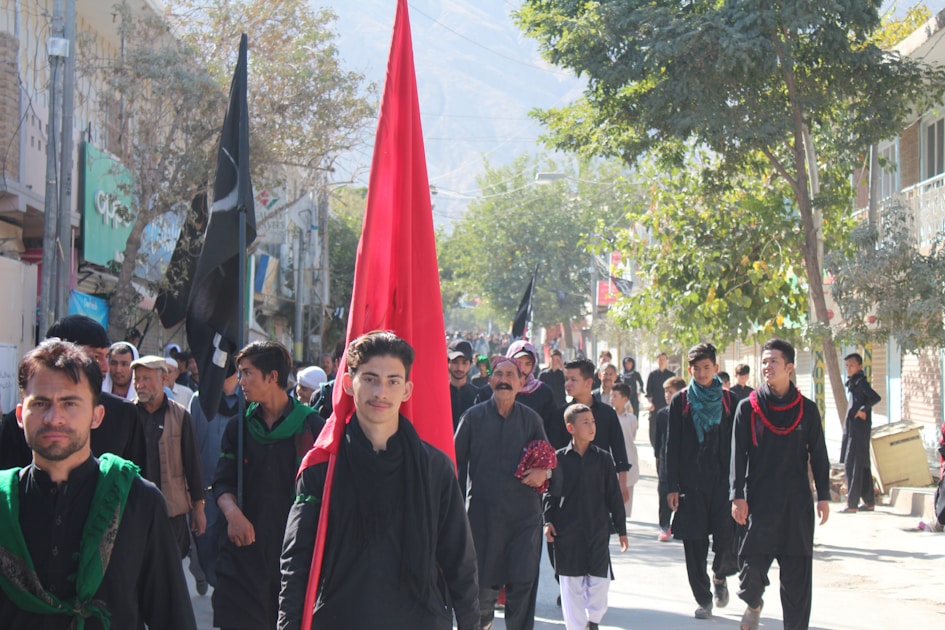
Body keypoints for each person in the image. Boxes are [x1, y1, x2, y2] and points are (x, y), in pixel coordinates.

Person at [279, 331, 479, 629]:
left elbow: (459, 560)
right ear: (349, 383)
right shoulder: (321, 469)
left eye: (392, 381)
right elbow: (297, 561)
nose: (380, 393)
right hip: (340, 618)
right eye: (370, 379)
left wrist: (470, 623)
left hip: (419, 619)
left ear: (407, 389)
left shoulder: (434, 469)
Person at [0, 339, 196, 628]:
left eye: (70, 403)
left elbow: (172, 618)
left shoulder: (137, 501)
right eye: (40, 403)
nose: (55, 418)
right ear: (20, 415)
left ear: (96, 415)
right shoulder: (4, 503)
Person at [212, 341, 325, 630]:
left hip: (295, 558)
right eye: (240, 374)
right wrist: (233, 515)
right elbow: (222, 482)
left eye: (247, 373)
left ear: (272, 377)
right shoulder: (239, 428)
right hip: (243, 555)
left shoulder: (312, 428)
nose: (241, 381)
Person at [730, 338, 830, 630]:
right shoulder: (747, 409)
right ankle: (754, 603)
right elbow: (737, 456)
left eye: (773, 361)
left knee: (797, 580)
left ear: (789, 367)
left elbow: (819, 455)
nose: (766, 367)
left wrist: (823, 495)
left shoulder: (807, 410)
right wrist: (737, 496)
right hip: (759, 503)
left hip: (797, 505)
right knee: (750, 575)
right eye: (763, 361)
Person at [455, 355, 551, 630]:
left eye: (511, 375)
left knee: (522, 586)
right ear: (490, 381)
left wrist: (544, 474)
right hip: (483, 520)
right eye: (499, 374)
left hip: (523, 521)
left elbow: (551, 463)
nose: (504, 380)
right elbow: (451, 464)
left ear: (521, 383)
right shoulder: (473, 418)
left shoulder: (531, 419)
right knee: (482, 591)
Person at [0, 315, 147, 470]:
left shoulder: (124, 414)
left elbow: (137, 479)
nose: (105, 367)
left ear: (97, 415)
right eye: (96, 357)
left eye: (106, 357)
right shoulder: (20, 423)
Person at [665, 343, 738, 620]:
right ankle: (703, 599)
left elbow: (737, 445)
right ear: (689, 370)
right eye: (696, 369)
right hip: (690, 484)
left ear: (716, 368)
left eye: (707, 368)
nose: (702, 373)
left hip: (722, 482)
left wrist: (739, 486)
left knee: (726, 537)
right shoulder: (680, 402)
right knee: (694, 544)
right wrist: (671, 486)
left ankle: (720, 575)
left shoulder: (729, 401)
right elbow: (671, 447)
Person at [544, 404, 628, 630]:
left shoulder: (603, 459)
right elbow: (551, 493)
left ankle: (593, 620)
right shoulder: (558, 459)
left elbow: (614, 496)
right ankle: (577, 626)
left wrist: (621, 530)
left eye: (593, 421)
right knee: (571, 586)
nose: (592, 426)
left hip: (598, 529)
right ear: (571, 427)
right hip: (567, 531)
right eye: (585, 422)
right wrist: (547, 521)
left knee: (599, 583)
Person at [131, 355, 206, 558]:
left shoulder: (180, 415)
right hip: (136, 510)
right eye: (137, 379)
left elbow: (192, 464)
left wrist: (198, 509)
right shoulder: (129, 414)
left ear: (164, 379)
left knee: (170, 568)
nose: (140, 385)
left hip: (171, 510)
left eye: (146, 378)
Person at [549, 359, 631, 505]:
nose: (568, 384)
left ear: (588, 383)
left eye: (574, 380)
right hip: (568, 489)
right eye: (567, 379)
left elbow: (619, 450)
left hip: (601, 487)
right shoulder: (559, 415)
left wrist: (622, 484)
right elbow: (554, 454)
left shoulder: (607, 414)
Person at [190, 364, 241, 590]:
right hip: (205, 490)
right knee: (205, 541)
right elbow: (191, 445)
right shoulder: (200, 400)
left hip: (237, 489)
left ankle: (224, 590)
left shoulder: (249, 399)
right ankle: (210, 579)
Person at [839, 352, 882, 513]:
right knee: (863, 466)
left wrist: (863, 410)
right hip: (853, 430)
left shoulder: (862, 382)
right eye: (847, 365)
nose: (849, 368)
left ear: (860, 366)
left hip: (858, 431)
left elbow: (875, 397)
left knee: (853, 465)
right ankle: (869, 502)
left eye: (851, 365)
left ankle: (852, 504)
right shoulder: (854, 383)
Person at [653, 376, 686, 542]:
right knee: (664, 494)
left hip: (682, 461)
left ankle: (680, 525)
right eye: (666, 391)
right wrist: (657, 460)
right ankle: (664, 525)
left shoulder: (687, 412)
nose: (667, 395)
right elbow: (658, 441)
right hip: (665, 460)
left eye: (670, 392)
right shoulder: (662, 414)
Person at [610, 382, 640, 518]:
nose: (612, 399)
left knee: (626, 498)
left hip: (629, 460)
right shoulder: (608, 416)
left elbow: (631, 437)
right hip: (611, 461)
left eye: (615, 396)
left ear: (625, 399)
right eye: (611, 395)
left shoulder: (632, 419)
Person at [448, 339, 481, 430]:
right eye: (455, 362)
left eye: (464, 363)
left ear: (470, 364)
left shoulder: (478, 396)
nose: (459, 368)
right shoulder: (439, 395)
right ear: (447, 363)